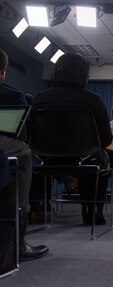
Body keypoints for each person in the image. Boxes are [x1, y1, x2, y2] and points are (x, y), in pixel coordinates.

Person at [32, 53, 113, 226]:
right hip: (83, 158)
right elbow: (105, 139)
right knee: (100, 156)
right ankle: (92, 209)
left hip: (46, 159)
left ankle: (36, 207)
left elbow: (30, 135)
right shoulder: (94, 100)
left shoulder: (39, 99)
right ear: (84, 75)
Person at [0, 49, 48, 261]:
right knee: (23, 153)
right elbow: (24, 138)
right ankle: (14, 243)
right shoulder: (11, 96)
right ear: (2, 71)